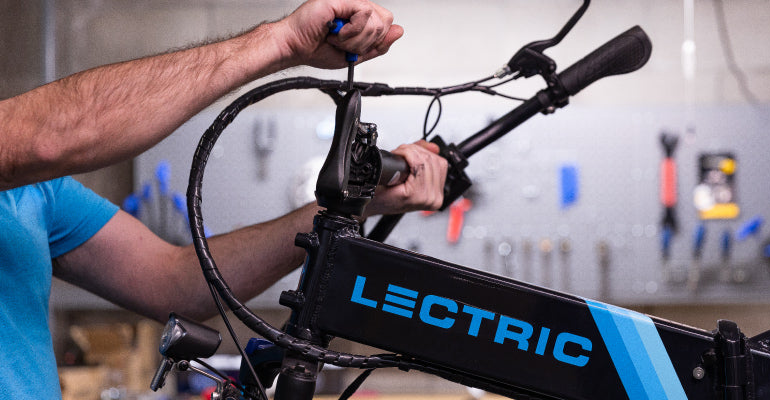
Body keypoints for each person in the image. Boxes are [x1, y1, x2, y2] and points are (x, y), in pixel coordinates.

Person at [0, 0, 447, 398]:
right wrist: (282, 41)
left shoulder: (35, 188)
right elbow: (48, 140)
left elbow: (179, 285)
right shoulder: (26, 155)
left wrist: (351, 204)